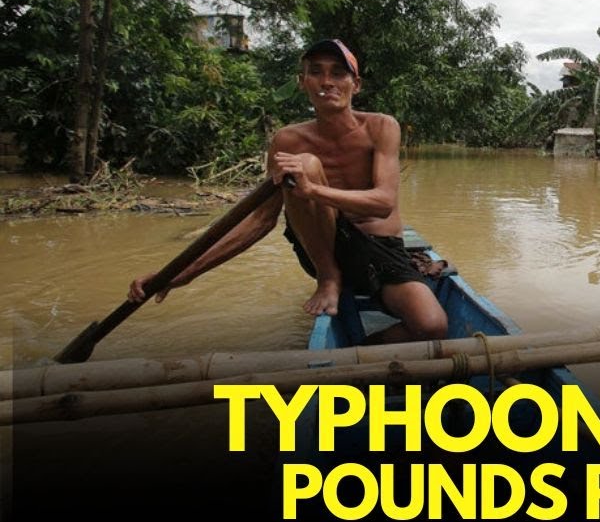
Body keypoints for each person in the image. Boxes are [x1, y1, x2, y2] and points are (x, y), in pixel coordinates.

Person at [127, 38, 448, 344]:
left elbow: (382, 203)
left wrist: (313, 191)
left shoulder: (381, 127)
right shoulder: (288, 141)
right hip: (325, 251)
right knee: (304, 164)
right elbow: (259, 221)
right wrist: (184, 273)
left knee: (432, 326)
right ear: (302, 82)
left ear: (356, 85)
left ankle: (359, 354)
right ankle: (329, 279)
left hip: (381, 250)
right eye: (316, 72)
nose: (327, 82)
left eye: (338, 73)